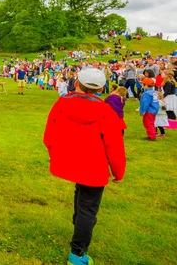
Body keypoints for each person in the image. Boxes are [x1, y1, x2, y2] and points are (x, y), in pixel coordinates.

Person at [44, 68, 125, 265]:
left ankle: (79, 227)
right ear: (102, 88)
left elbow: (49, 137)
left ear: (77, 83)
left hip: (79, 164)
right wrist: (118, 172)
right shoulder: (106, 111)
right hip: (92, 167)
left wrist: (56, 154)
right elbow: (115, 147)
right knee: (88, 208)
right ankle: (78, 254)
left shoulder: (62, 103)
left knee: (82, 200)